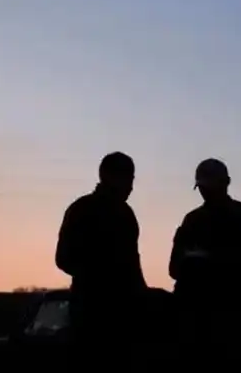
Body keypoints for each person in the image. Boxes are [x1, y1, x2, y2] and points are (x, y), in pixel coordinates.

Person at [169, 158, 241, 373]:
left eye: (209, 186)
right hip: (195, 323)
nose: (206, 192)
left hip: (232, 320)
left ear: (226, 182)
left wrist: (223, 263)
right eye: (202, 187)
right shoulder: (192, 220)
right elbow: (174, 269)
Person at [55, 151, 147, 362]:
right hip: (90, 314)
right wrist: (102, 276)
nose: (131, 186)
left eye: (132, 179)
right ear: (109, 176)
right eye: (128, 179)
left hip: (122, 315)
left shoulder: (126, 214)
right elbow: (63, 258)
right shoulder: (82, 210)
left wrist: (141, 296)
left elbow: (133, 262)